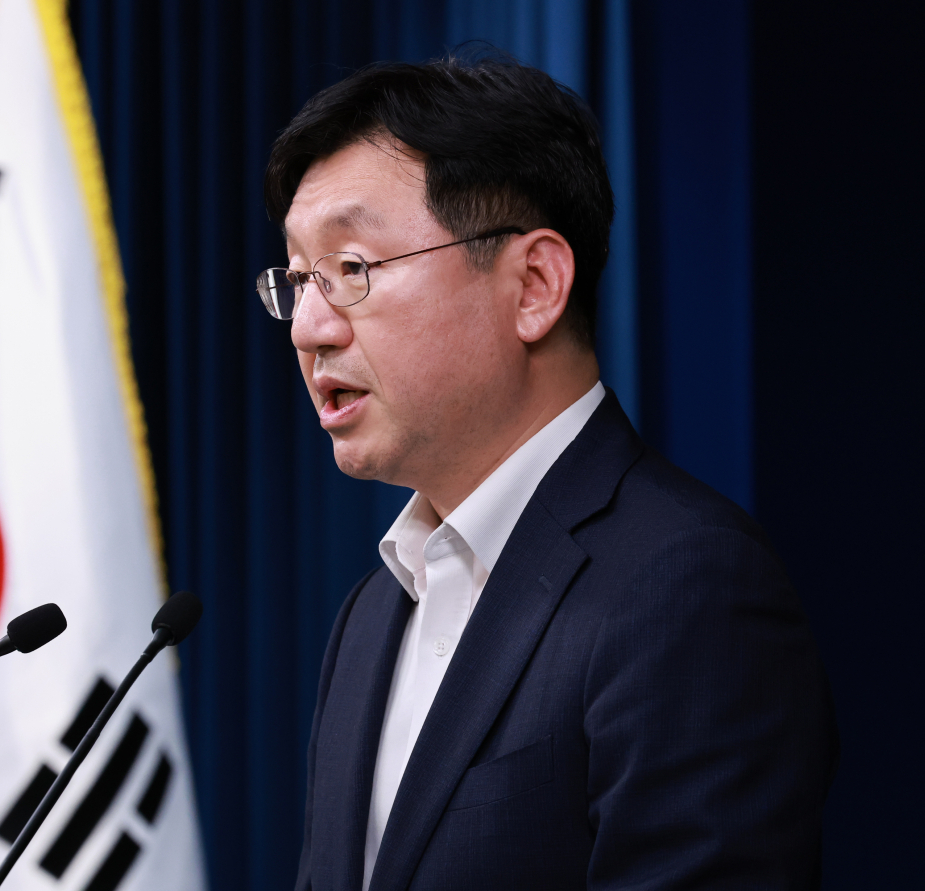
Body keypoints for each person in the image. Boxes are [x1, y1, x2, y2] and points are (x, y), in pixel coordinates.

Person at [256, 54, 837, 891]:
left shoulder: (686, 586)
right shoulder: (373, 612)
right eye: (299, 278)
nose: (308, 327)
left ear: (534, 284)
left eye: (352, 269)